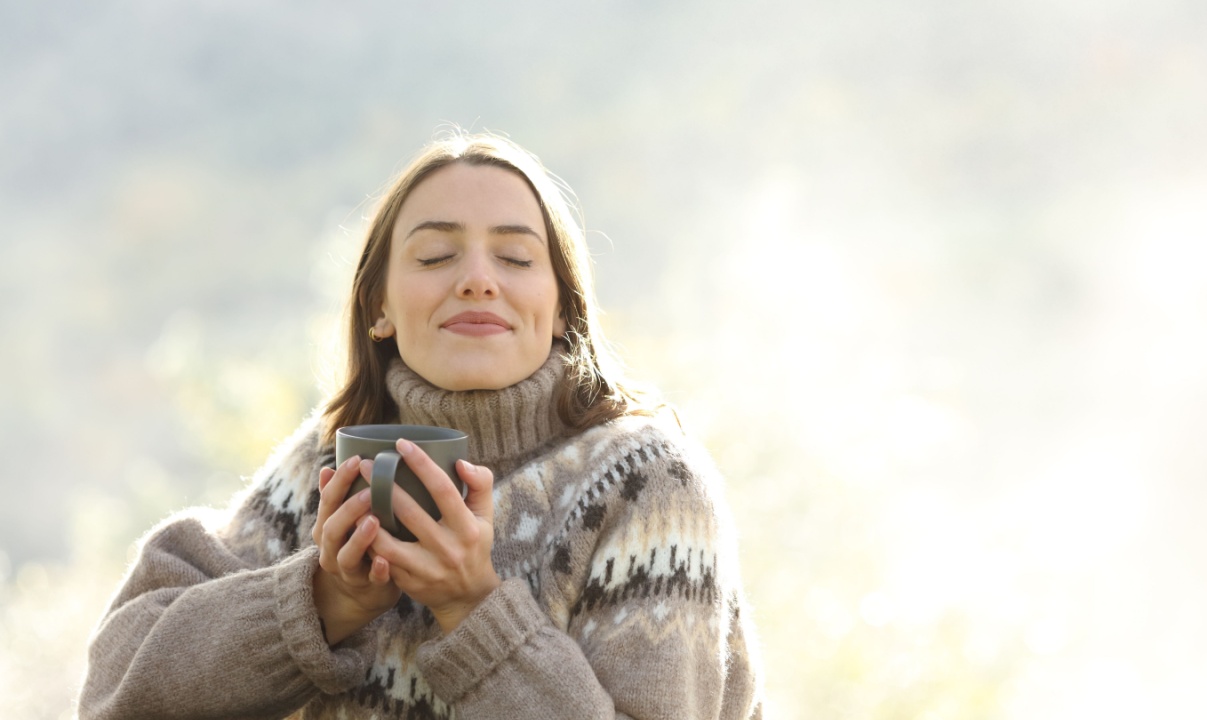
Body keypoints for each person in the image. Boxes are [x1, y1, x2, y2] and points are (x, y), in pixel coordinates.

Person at [77, 132, 763, 719]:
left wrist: (473, 606)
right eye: (436, 257)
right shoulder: (322, 467)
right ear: (379, 307)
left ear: (562, 310)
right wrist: (323, 600)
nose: (476, 279)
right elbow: (116, 694)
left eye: (517, 258)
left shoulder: (648, 486)